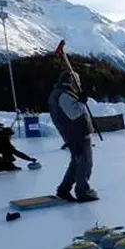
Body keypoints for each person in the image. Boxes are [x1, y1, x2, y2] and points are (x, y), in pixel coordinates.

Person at [48, 70, 97, 202]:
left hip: (72, 134)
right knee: (85, 164)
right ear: (72, 81)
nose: (79, 84)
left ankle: (64, 189)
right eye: (77, 81)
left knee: (76, 163)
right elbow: (73, 114)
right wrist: (81, 102)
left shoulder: (60, 93)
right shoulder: (64, 94)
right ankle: (82, 191)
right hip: (77, 134)